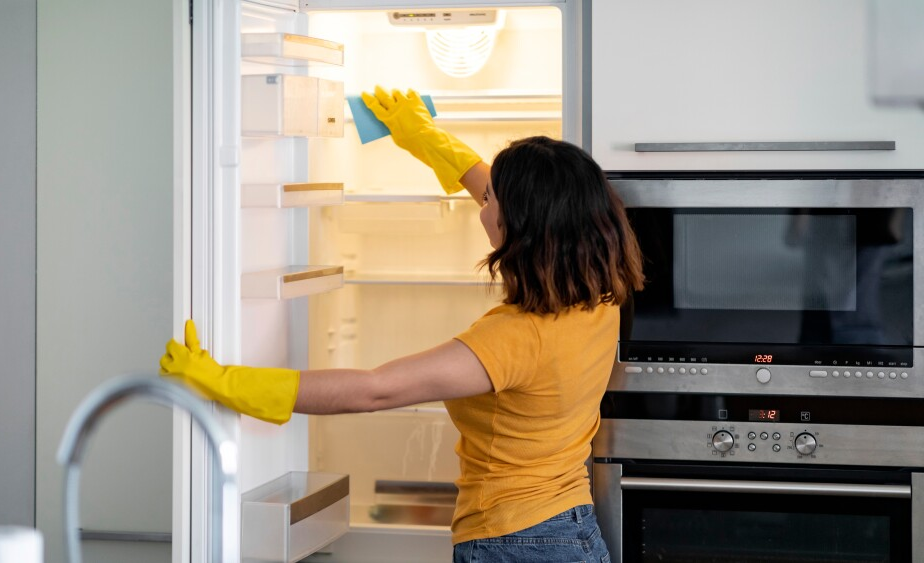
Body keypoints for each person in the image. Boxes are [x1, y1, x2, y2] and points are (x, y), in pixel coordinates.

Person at [160, 87, 644, 563]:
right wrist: (420, 134)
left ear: (521, 226)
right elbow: (484, 181)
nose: (482, 203)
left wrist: (226, 382)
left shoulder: (514, 339)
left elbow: (374, 390)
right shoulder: (601, 297)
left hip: (513, 540)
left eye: (491, 200)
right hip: (571, 528)